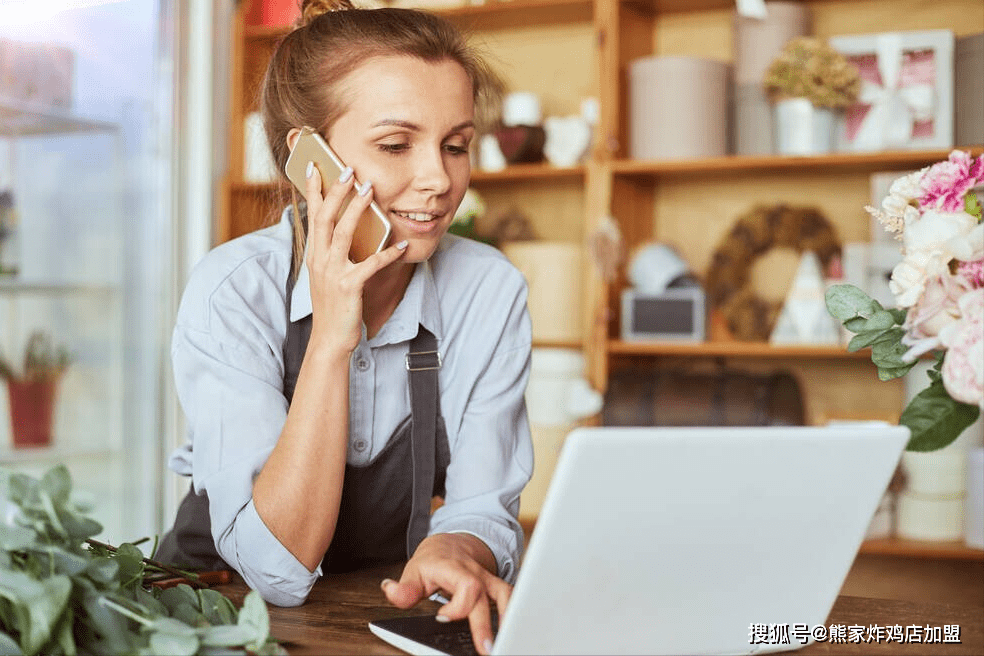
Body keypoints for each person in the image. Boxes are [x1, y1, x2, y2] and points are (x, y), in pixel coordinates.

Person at [156, 1, 533, 653]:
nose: (439, 180)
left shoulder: (486, 290)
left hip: (365, 623)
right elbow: (277, 573)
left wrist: (458, 546)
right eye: (395, 145)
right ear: (311, 162)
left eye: (456, 145)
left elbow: (483, 506)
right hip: (209, 620)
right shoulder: (232, 293)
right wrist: (333, 337)